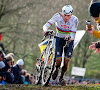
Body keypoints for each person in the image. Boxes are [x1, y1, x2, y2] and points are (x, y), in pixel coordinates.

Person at [43, 4, 79, 85]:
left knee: (66, 61)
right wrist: (45, 30)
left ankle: (61, 77)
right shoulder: (57, 16)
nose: (66, 17)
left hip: (69, 40)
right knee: (58, 60)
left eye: (68, 15)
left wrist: (70, 37)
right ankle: (56, 68)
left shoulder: (75, 19)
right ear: (62, 13)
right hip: (59, 38)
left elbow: (73, 34)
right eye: (64, 15)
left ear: (71, 15)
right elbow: (46, 25)